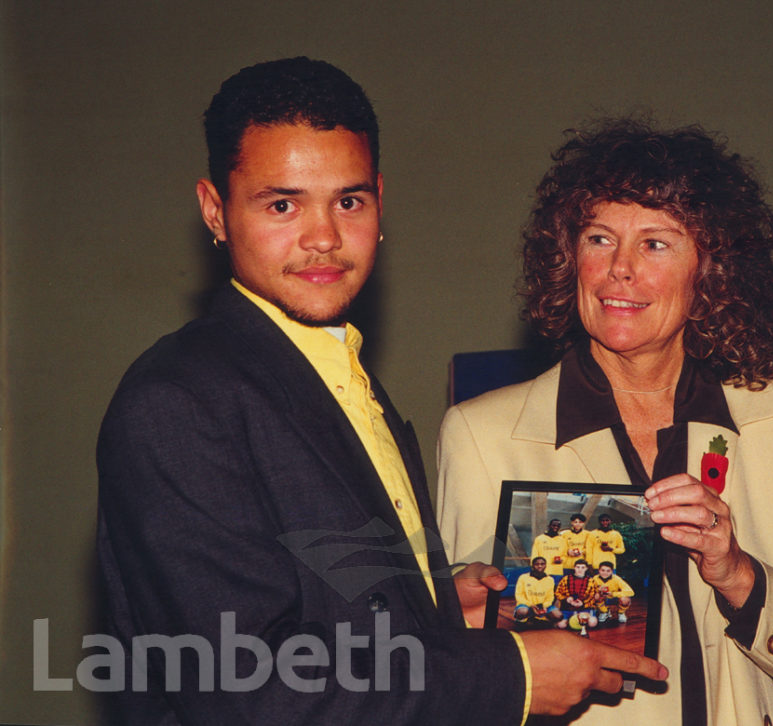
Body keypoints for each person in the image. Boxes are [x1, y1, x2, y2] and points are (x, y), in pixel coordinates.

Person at [95, 61, 665, 725]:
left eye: (348, 201)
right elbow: (244, 689)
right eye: (283, 204)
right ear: (215, 212)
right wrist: (512, 675)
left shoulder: (341, 378)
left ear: (380, 201)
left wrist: (434, 605)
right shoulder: (176, 402)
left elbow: (317, 617)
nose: (323, 238)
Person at [436, 120, 773, 725]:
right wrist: (478, 623)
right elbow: (466, 673)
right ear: (569, 259)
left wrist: (738, 573)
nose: (620, 269)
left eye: (655, 243)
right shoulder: (481, 436)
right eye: (598, 239)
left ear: (712, 269)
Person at [554, 560, 599, 635]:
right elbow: (558, 592)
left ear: (586, 568)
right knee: (561, 625)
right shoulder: (566, 579)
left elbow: (593, 597)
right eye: (578, 567)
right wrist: (566, 599)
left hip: (585, 608)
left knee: (592, 623)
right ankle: (570, 621)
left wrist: (583, 603)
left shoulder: (591, 581)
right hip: (568, 608)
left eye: (582, 567)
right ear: (574, 568)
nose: (580, 569)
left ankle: (582, 623)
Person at [514, 557, 562, 626]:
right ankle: (523, 619)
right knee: (522, 612)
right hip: (528, 606)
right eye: (537, 564)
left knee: (558, 615)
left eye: (542, 564)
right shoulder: (523, 577)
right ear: (533, 565)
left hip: (542, 606)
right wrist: (531, 605)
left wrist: (544, 606)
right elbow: (519, 595)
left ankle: (539, 619)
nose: (540, 566)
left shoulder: (550, 579)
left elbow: (550, 597)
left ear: (545, 565)